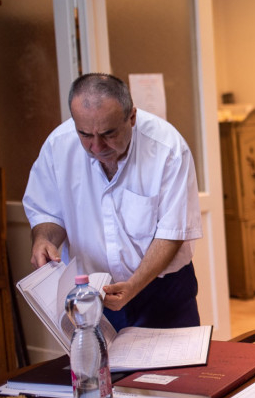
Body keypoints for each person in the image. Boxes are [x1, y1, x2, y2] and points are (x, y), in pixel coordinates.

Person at [23, 73, 203, 330]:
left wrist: (134, 286)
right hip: (90, 292)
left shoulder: (167, 149)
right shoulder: (57, 146)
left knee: (178, 359)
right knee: (96, 358)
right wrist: (44, 239)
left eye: (108, 134)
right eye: (85, 134)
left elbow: (171, 233)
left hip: (161, 290)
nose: (97, 147)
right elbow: (47, 213)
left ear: (132, 117)